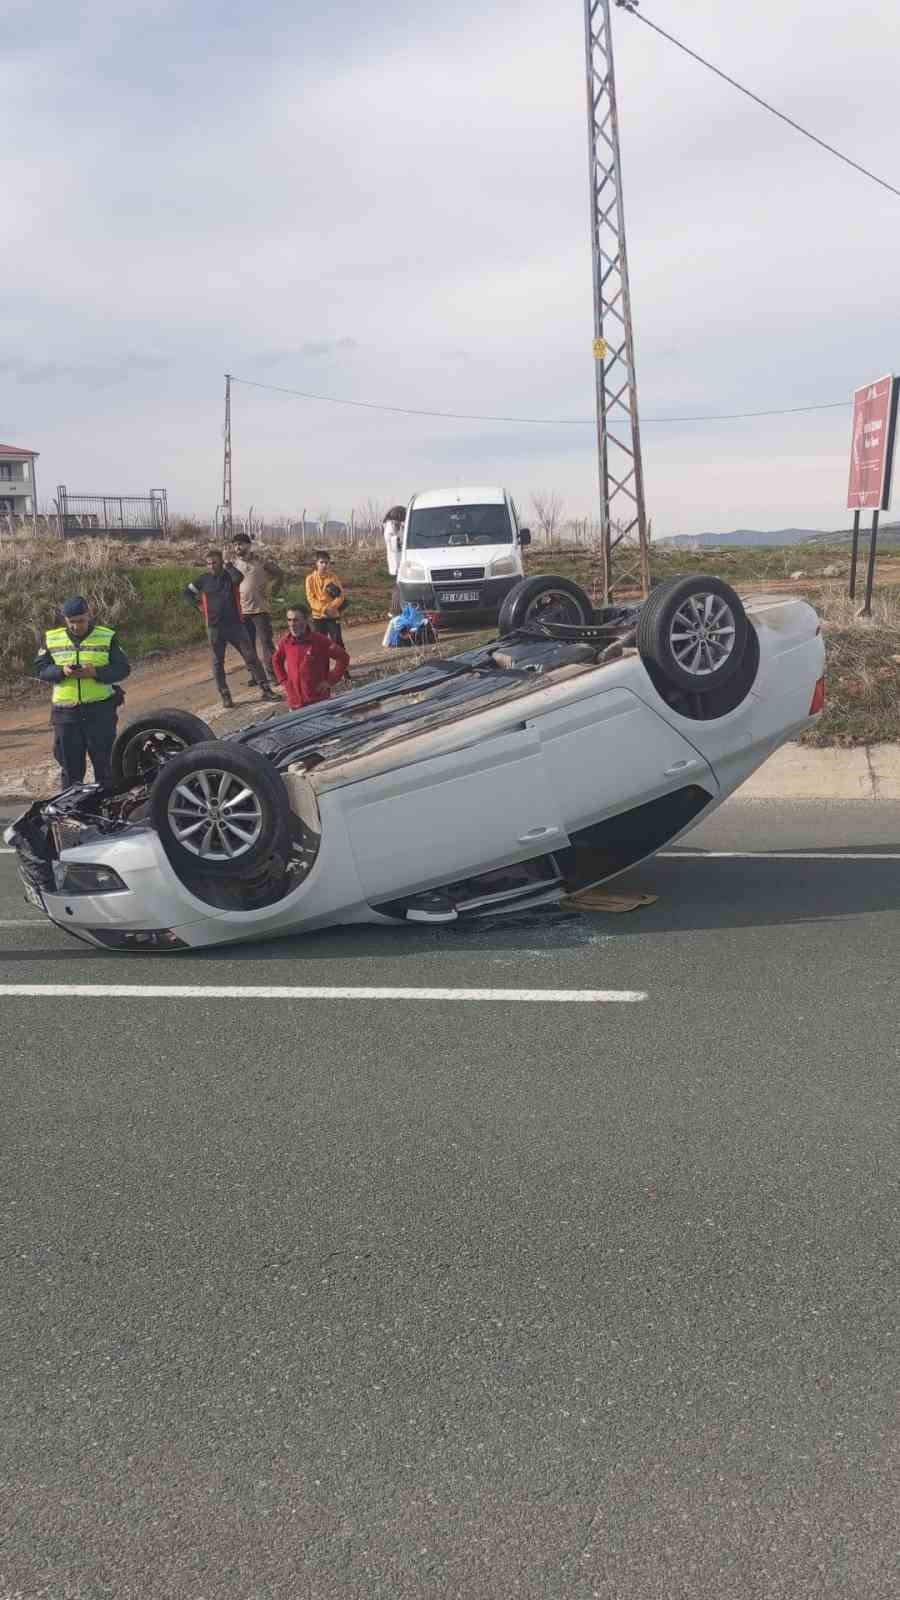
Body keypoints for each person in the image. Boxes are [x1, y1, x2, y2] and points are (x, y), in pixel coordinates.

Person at [34, 595, 131, 788]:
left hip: (100, 712)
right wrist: (61, 671)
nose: (76, 626)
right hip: (66, 714)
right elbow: (40, 669)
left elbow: (122, 669)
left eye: (80, 621)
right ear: (65, 619)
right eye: (71, 622)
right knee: (71, 771)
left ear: (89, 615)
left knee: (106, 768)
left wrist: (95, 672)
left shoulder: (107, 636)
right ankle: (72, 806)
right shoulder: (51, 638)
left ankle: (106, 804)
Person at [184, 549, 279, 710]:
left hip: (235, 626)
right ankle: (225, 696)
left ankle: (266, 690)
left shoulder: (230, 576)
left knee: (251, 657)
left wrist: (228, 564)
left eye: (214, 562)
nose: (211, 566)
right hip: (214, 628)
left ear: (221, 562)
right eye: (208, 563)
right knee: (217, 662)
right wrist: (198, 605)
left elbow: (238, 577)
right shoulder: (203, 579)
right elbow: (187, 593)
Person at [229, 533, 284, 685]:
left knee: (266, 643)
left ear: (249, 545)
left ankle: (274, 674)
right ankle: (256, 676)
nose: (237, 547)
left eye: (240, 544)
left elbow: (279, 573)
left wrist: (273, 590)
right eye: (235, 545)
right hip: (242, 611)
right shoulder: (234, 566)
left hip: (260, 610)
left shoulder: (260, 561)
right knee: (248, 646)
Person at [272, 603, 349, 710]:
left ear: (306, 620)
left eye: (296, 620)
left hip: (319, 702)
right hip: (295, 704)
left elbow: (343, 657)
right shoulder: (286, 642)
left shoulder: (320, 640)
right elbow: (276, 660)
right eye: (289, 620)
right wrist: (284, 681)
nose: (292, 624)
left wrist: (330, 680)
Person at [305, 550, 347, 647]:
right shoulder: (310, 579)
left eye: (326, 563)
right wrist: (324, 609)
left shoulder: (333, 578)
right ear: (316, 563)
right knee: (319, 645)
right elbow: (311, 599)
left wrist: (331, 608)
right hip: (318, 616)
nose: (324, 565)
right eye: (321, 562)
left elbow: (340, 596)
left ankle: (341, 657)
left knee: (337, 643)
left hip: (333, 615)